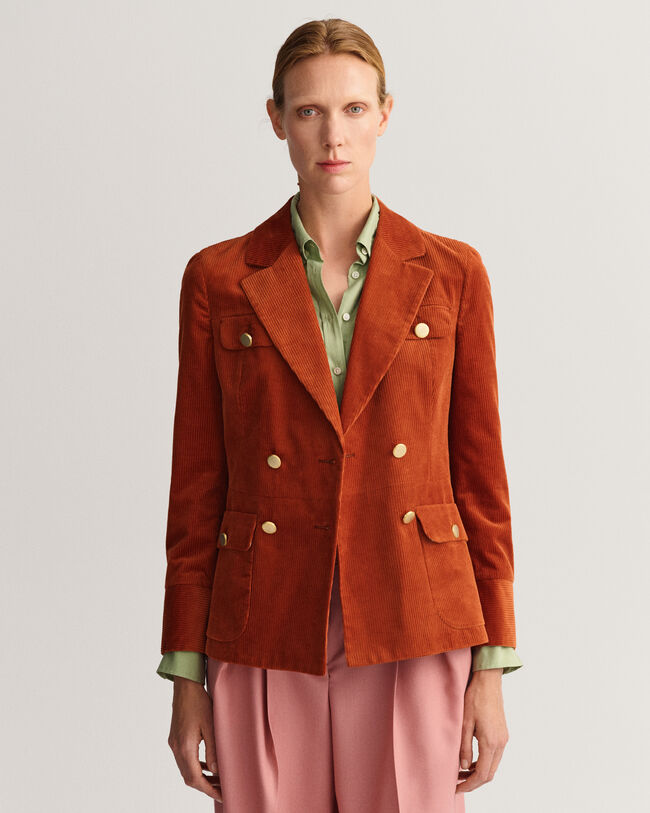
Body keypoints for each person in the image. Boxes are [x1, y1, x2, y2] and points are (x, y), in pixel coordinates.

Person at [157, 17, 523, 813]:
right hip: (263, 616)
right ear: (276, 119)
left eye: (354, 108)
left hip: (413, 612)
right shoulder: (219, 278)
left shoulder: (452, 273)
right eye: (309, 111)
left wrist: (491, 665)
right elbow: (197, 487)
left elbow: (480, 482)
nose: (334, 134)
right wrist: (185, 673)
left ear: (385, 113)